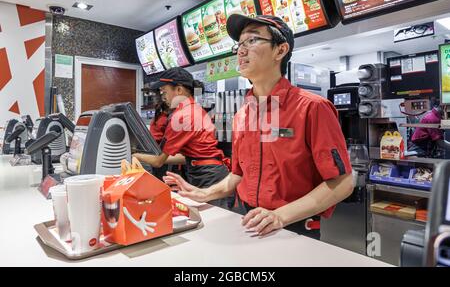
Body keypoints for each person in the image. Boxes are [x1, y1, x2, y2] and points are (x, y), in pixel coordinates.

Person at [163, 14, 354, 239]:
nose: (241, 51)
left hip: (293, 227)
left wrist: (280, 216)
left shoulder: (313, 108)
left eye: (252, 41)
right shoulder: (243, 113)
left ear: (280, 50)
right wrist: (205, 193)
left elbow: (342, 182)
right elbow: (239, 175)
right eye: (240, 44)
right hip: (246, 220)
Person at [133, 67, 231, 208]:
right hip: (208, 172)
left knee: (214, 219)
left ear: (179, 90)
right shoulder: (194, 109)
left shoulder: (182, 116)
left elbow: (158, 161)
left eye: (164, 91)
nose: (163, 96)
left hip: (208, 176)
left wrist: (133, 154)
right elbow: (188, 155)